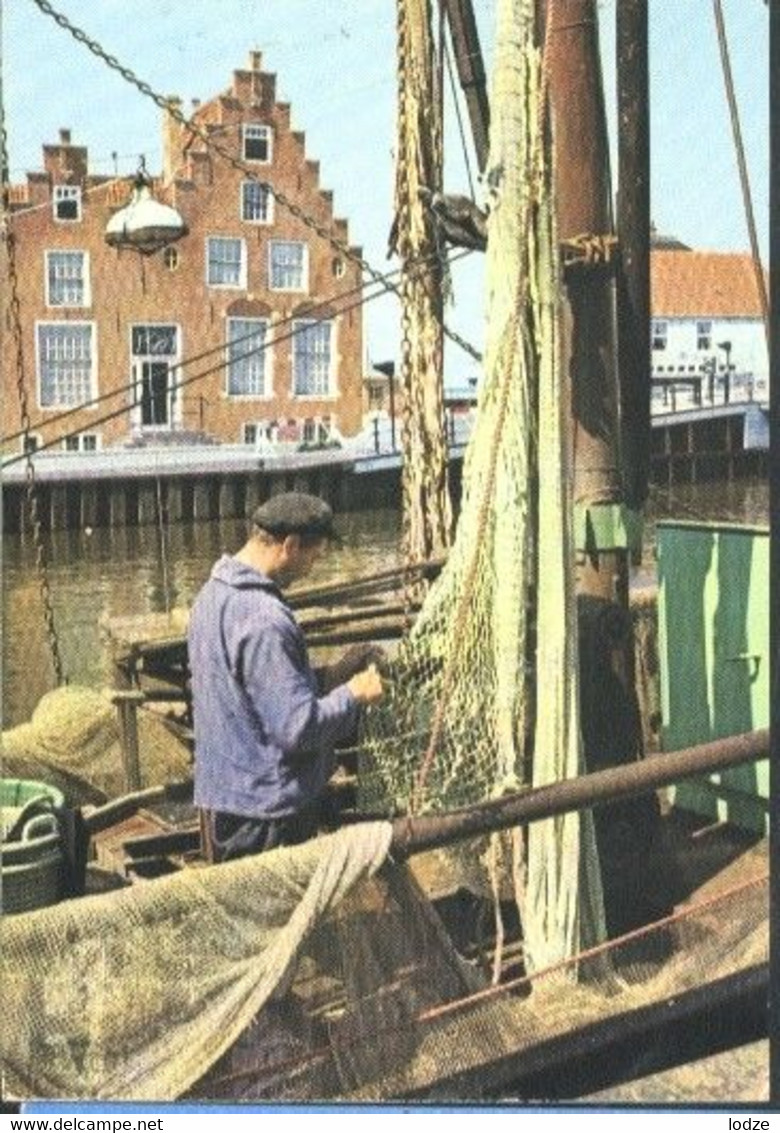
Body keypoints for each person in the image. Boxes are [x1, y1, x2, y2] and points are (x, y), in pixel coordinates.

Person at [188, 492, 385, 863]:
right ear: (290, 546)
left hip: (224, 801)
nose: (312, 567)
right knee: (280, 920)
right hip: (268, 815)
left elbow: (249, 690)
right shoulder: (265, 619)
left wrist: (329, 676)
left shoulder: (210, 596)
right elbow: (297, 730)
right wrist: (354, 694)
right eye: (314, 555)